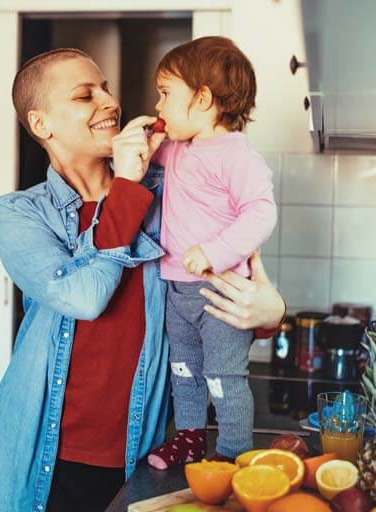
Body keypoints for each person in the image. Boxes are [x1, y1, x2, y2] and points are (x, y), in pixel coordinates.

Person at [0, 47, 285, 512]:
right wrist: (126, 189)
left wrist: (270, 315)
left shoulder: (170, 192)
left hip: (141, 455)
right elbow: (84, 296)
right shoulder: (20, 213)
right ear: (42, 125)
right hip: (41, 458)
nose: (110, 102)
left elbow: (219, 286)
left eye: (107, 89)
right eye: (85, 96)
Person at [145, 37, 277, 470]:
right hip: (177, 291)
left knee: (224, 377)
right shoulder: (178, 147)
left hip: (221, 293)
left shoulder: (236, 154)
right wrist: (139, 144)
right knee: (184, 372)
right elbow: (143, 155)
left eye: (166, 94)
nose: (159, 105)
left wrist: (216, 252)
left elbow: (261, 213)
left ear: (202, 99)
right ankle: (188, 439)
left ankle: (233, 452)